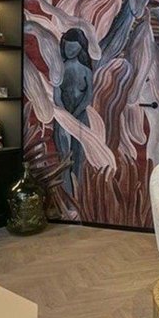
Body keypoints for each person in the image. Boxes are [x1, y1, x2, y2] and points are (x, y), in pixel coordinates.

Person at [54, 28, 94, 194]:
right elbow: (56, 95)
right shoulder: (59, 69)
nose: (70, 50)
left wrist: (76, 114)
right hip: (62, 118)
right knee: (64, 156)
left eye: (73, 47)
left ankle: (78, 194)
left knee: (79, 158)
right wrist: (65, 116)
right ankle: (67, 193)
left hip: (80, 117)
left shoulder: (86, 71)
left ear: (81, 48)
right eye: (67, 47)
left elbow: (88, 96)